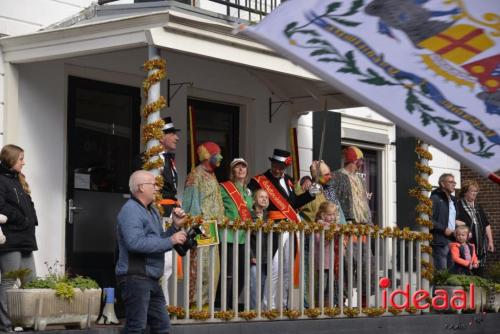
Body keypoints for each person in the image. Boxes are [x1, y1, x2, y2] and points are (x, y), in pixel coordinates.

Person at [115, 170, 187, 334]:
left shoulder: (152, 210)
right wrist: (171, 240)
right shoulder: (130, 210)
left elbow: (158, 239)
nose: (156, 188)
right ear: (140, 187)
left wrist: (174, 227)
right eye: (153, 184)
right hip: (136, 277)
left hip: (151, 278)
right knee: (136, 328)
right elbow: (135, 243)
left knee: (162, 327)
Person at [248, 148, 319, 309]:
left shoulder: (288, 180)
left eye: (281, 166)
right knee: (274, 269)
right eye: (275, 165)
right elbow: (251, 203)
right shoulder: (259, 180)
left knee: (287, 269)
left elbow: (293, 204)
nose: (277, 169)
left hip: (290, 227)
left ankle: (283, 304)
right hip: (272, 228)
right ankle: (269, 306)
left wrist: (310, 194)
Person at [0, 144, 39, 332]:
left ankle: (27, 322)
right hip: (10, 239)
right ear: (11, 159)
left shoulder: (18, 179)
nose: (24, 162)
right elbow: (1, 207)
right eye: (21, 159)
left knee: (31, 282)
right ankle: (5, 326)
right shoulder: (1, 180)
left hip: (25, 237)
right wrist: (21, 218)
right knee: (9, 281)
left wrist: (30, 221)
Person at [182, 141, 224, 305]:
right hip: (202, 229)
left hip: (213, 229)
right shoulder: (196, 175)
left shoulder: (212, 174)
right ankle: (197, 305)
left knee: (213, 270)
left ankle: (208, 305)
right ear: (208, 156)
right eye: (217, 154)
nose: (220, 157)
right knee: (201, 269)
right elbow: (190, 205)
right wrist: (197, 226)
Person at [218, 158, 253, 310]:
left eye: (243, 167)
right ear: (232, 171)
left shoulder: (248, 191)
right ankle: (221, 305)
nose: (241, 170)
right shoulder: (224, 188)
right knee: (228, 273)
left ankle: (232, 303)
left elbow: (250, 212)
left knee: (242, 273)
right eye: (237, 167)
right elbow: (218, 208)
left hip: (244, 238)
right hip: (229, 236)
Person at [456, 180, 495, 274]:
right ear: (465, 192)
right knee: (467, 271)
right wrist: (465, 227)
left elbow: (486, 225)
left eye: (476, 191)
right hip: (466, 245)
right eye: (472, 191)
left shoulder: (478, 207)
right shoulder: (458, 205)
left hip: (480, 245)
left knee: (479, 271)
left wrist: (490, 241)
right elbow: (455, 221)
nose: (474, 193)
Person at [314, 201, 340, 306]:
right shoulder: (320, 226)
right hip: (322, 261)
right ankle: (319, 306)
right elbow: (321, 242)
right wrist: (332, 233)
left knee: (330, 285)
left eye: (334, 214)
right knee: (322, 285)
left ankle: (328, 306)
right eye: (329, 215)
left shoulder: (332, 226)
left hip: (331, 261)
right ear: (323, 215)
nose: (332, 217)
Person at [430, 173, 457, 271]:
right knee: (442, 273)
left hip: (453, 240)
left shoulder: (453, 200)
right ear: (442, 183)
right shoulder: (435, 198)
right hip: (440, 241)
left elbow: (452, 219)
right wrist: (444, 229)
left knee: (451, 273)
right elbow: (428, 220)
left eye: (454, 182)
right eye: (450, 182)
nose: (454, 184)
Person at [250, 189, 269, 309]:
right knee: (255, 285)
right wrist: (251, 256)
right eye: (261, 196)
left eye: (266, 197)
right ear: (255, 199)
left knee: (264, 285)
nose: (264, 199)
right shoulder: (249, 215)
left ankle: (262, 310)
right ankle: (254, 311)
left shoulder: (269, 217)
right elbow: (246, 238)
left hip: (267, 258)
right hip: (254, 256)